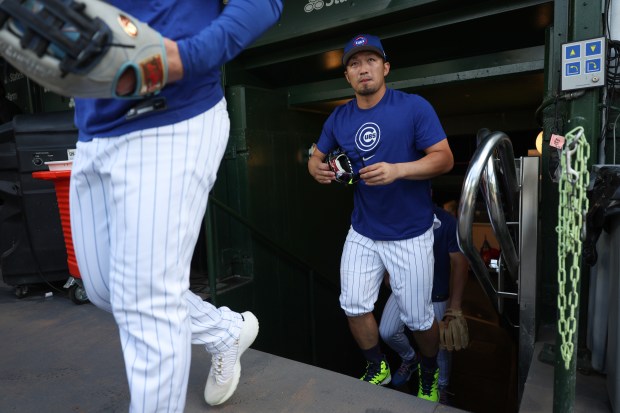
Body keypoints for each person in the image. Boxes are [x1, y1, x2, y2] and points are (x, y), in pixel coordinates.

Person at [68, 2, 282, 412]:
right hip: (94, 124)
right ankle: (222, 332)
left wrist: (189, 56)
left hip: (171, 111)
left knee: (145, 302)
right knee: (105, 288)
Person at [307, 34, 454, 402]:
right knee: (353, 305)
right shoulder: (339, 116)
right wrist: (316, 170)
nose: (363, 69)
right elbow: (315, 155)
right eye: (354, 64)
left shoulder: (413, 107)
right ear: (347, 76)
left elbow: (444, 158)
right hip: (364, 229)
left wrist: (398, 170)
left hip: (410, 231)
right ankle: (378, 366)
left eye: (370, 61)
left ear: (385, 67)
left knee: (419, 319)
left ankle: (429, 372)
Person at [379, 204, 469, 405]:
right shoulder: (398, 215)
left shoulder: (446, 222)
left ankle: (442, 387)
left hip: (435, 295)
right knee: (387, 331)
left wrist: (454, 306)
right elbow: (387, 247)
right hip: (403, 289)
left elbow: (461, 263)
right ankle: (410, 359)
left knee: (441, 346)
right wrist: (387, 272)